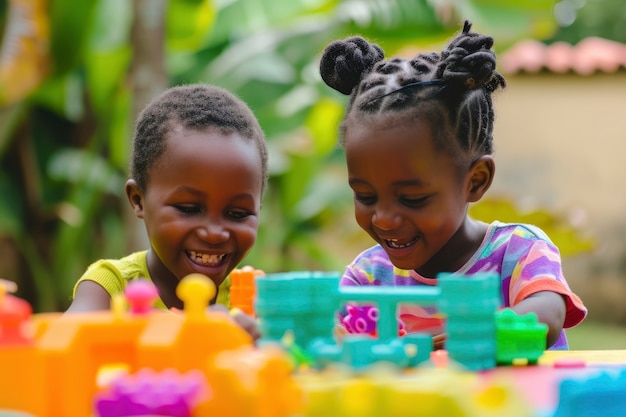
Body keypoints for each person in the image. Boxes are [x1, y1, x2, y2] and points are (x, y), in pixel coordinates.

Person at [319, 21, 587, 350]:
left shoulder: (518, 252)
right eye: (365, 196)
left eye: (412, 198)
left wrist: (468, 338)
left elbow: (545, 315)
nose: (384, 218)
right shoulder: (368, 278)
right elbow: (336, 337)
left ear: (475, 181)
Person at [66, 84, 268, 341]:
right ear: (138, 200)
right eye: (189, 209)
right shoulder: (111, 287)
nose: (214, 233)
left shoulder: (256, 300)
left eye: (238, 213)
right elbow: (61, 345)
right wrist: (189, 329)